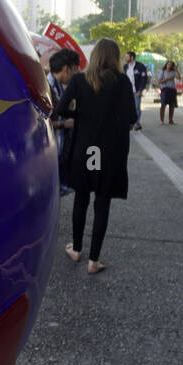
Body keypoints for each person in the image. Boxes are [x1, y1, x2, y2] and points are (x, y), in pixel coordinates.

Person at [52, 37, 135, 274]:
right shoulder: (122, 83)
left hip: (87, 150)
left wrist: (80, 112)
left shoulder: (79, 80)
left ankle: (76, 249)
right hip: (110, 152)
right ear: (116, 57)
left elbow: (60, 109)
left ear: (95, 55)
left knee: (82, 197)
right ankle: (93, 261)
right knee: (102, 202)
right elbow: (131, 117)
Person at [48, 49, 80, 196]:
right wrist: (63, 124)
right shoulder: (48, 87)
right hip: (52, 143)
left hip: (59, 143)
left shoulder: (58, 85)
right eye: (74, 71)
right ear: (66, 69)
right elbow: (42, 121)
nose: (75, 75)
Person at [123, 51, 149, 131]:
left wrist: (141, 90)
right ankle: (130, 123)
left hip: (136, 90)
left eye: (127, 56)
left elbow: (144, 79)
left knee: (136, 107)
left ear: (132, 57)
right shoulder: (125, 67)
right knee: (127, 107)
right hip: (127, 91)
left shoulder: (140, 66)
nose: (125, 58)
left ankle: (137, 123)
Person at [156, 60, 178, 124]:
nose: (169, 65)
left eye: (171, 65)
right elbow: (159, 81)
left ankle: (170, 120)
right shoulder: (162, 72)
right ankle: (162, 120)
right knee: (163, 105)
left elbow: (179, 77)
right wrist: (168, 79)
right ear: (166, 65)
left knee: (172, 105)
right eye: (168, 64)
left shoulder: (173, 72)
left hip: (172, 89)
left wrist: (176, 70)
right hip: (165, 90)